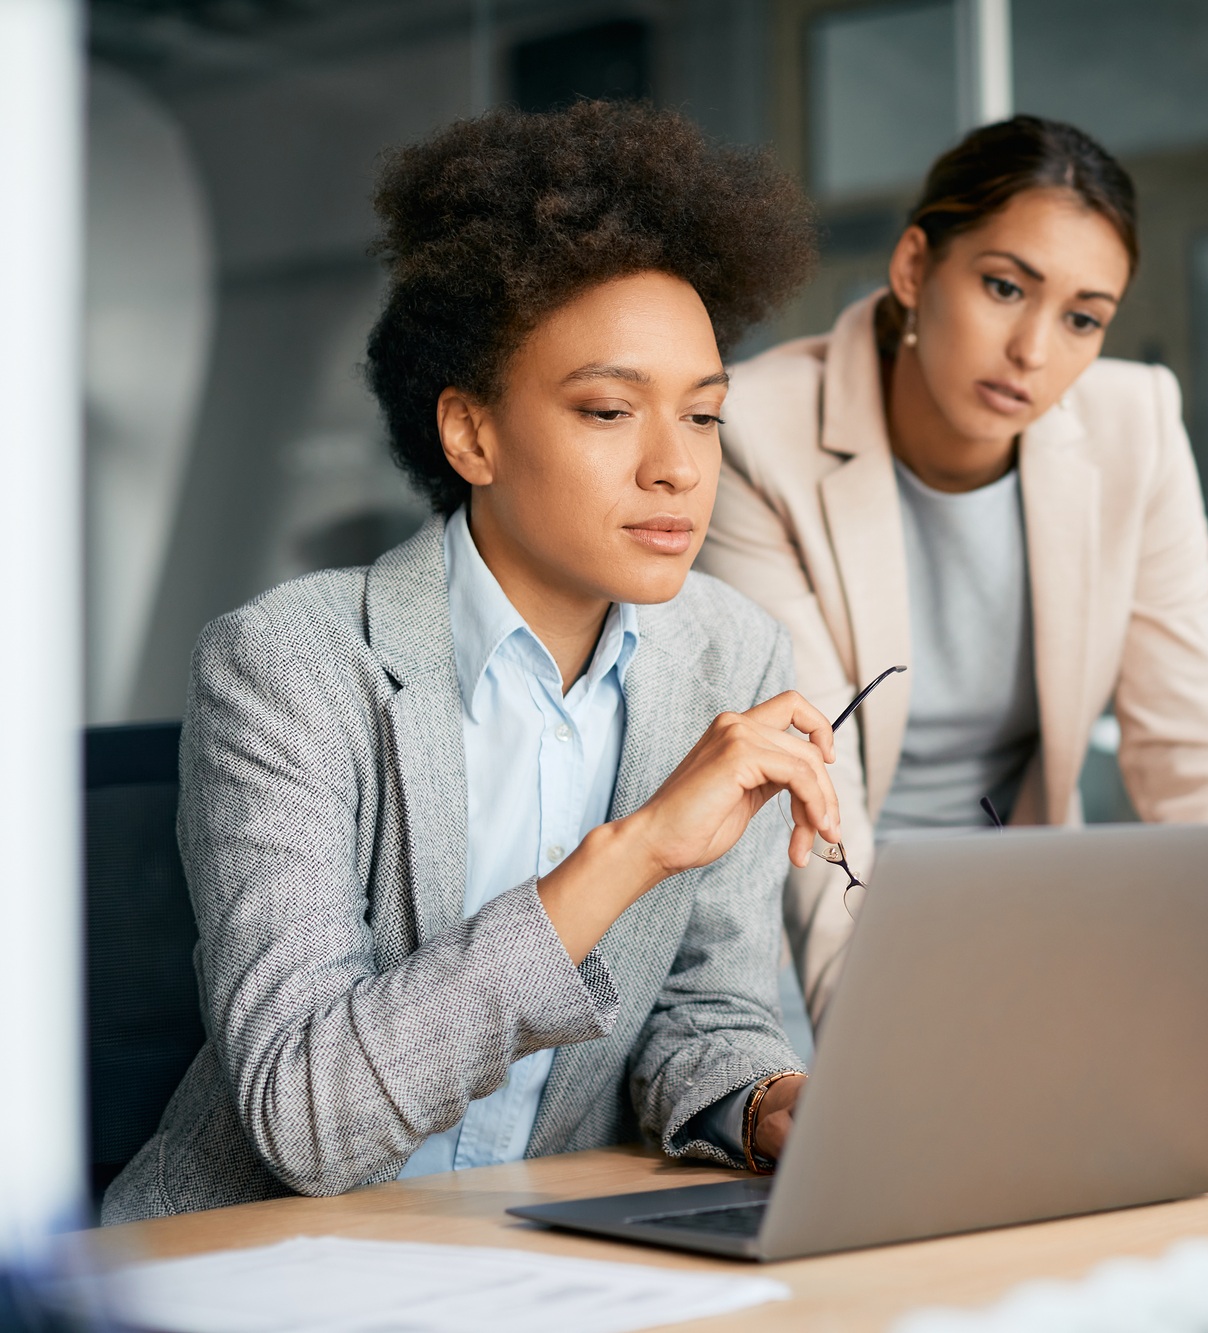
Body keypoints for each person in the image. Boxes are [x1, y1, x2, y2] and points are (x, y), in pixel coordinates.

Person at [103, 104, 843, 1222]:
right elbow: (306, 1115)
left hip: (533, 1251)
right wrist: (633, 852)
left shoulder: (729, 656)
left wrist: (765, 1103)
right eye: (608, 409)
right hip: (256, 1258)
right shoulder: (288, 664)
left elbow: (702, 1019)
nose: (676, 469)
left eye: (701, 416)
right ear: (472, 435)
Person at [698, 116, 1208, 1024]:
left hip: (1032, 939)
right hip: (809, 954)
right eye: (1005, 286)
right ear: (915, 268)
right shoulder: (759, 432)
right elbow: (807, 785)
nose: (1035, 351)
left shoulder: (1137, 425)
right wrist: (891, 1035)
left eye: (1083, 318)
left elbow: (1186, 744)